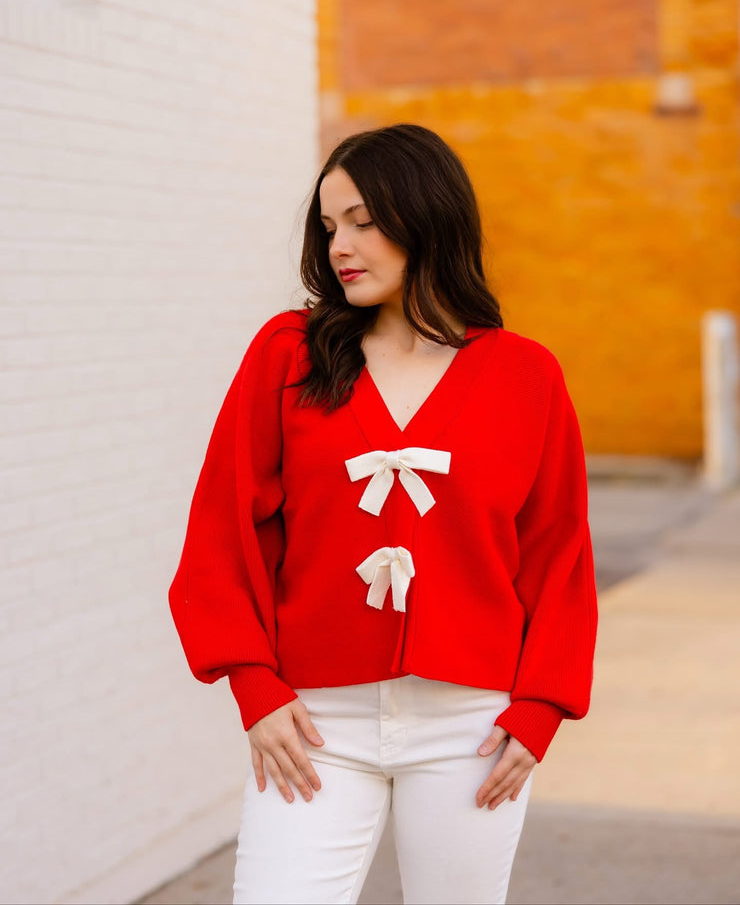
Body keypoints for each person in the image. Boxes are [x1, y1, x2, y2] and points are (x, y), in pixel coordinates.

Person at [168, 123, 598, 905]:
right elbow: (223, 528)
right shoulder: (289, 353)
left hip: (473, 727)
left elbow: (558, 552)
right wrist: (253, 685)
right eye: (330, 226)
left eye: (364, 220)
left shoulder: (524, 375)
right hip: (313, 723)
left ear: (426, 215)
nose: (341, 245)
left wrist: (540, 708)